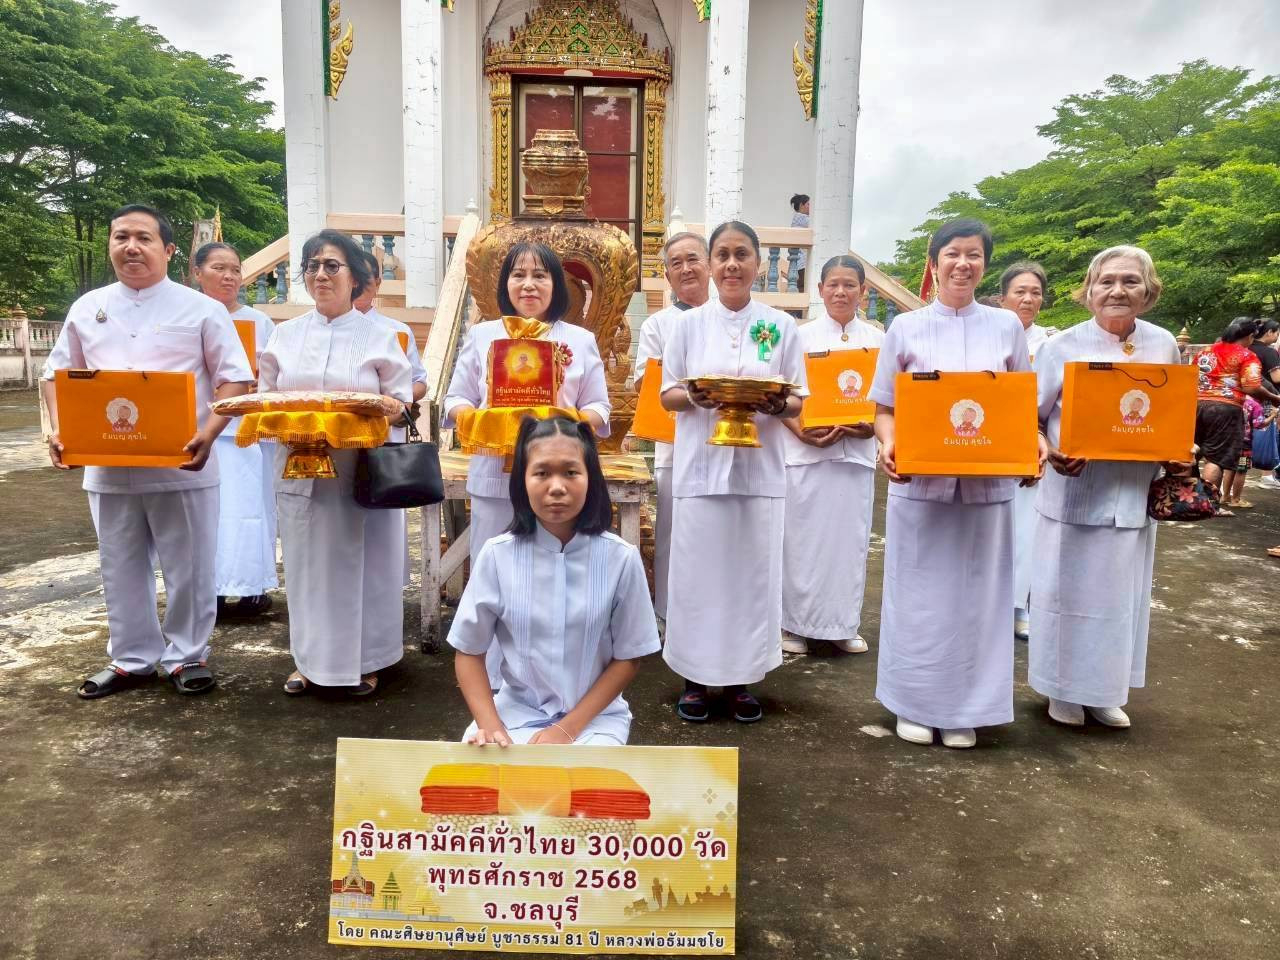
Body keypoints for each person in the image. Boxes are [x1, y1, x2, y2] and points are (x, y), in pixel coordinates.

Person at [43, 204, 254, 698]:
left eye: (143, 237)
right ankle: (132, 658)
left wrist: (209, 432)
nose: (130, 247)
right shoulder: (87, 307)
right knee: (119, 563)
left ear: (169, 249)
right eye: (121, 237)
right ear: (110, 245)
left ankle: (187, 656)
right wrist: (58, 430)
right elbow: (56, 376)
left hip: (183, 461)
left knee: (189, 566)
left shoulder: (201, 309)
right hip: (107, 464)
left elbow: (235, 381)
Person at [868, 218, 1045, 749]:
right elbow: (884, 408)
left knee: (980, 598)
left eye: (973, 255)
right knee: (918, 595)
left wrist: (1033, 437)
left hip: (987, 491)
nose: (962, 263)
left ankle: (967, 707)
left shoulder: (1005, 327)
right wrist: (887, 443)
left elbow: (1019, 408)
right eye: (952, 254)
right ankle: (914, 702)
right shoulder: (906, 328)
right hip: (922, 487)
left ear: (985, 264)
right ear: (934, 262)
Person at [1030, 245, 1188, 729]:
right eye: (1107, 282)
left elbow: (1173, 416)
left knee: (1121, 601)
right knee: (1067, 596)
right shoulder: (1063, 346)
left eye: (1130, 281)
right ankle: (1062, 691)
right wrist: (1049, 450)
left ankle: (1104, 691)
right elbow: (1028, 421)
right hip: (1076, 495)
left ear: (1149, 291)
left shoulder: (1164, 345)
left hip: (1133, 497)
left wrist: (1181, 454)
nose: (1118, 291)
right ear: (1089, 291)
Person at [443, 242, 611, 688]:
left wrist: (567, 423)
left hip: (559, 483)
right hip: (495, 475)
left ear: (557, 286)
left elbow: (600, 409)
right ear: (504, 285)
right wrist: (482, 419)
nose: (529, 284)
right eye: (518, 274)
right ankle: (495, 680)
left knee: (553, 575)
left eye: (540, 275)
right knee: (496, 576)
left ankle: (556, 677)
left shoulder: (578, 341)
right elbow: (455, 399)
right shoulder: (483, 337)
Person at [660, 220, 808, 723]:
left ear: (758, 264)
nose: (731, 264)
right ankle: (695, 680)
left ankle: (744, 680)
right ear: (710, 263)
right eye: (721, 254)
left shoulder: (781, 326)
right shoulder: (686, 325)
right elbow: (668, 395)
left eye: (741, 254)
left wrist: (773, 402)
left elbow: (795, 405)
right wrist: (695, 394)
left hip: (758, 470)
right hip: (701, 469)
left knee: (751, 577)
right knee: (697, 578)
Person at [258, 229, 412, 696]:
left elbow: (403, 402)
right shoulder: (283, 336)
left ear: (355, 277)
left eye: (332, 266)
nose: (320, 275)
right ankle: (309, 662)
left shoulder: (383, 336)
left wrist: (383, 408)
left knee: (365, 564)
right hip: (299, 468)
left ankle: (369, 660)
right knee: (307, 568)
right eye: (312, 266)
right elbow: (265, 398)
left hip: (359, 471)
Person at [449, 416, 660, 746]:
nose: (557, 486)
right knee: (484, 789)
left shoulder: (620, 558)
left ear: (590, 478)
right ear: (523, 480)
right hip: (511, 716)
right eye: (542, 472)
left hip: (594, 721)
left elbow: (628, 656)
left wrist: (565, 730)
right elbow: (468, 651)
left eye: (571, 472)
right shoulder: (497, 555)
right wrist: (490, 726)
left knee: (584, 789)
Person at [780, 255, 883, 656]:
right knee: (802, 541)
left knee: (849, 541)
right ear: (820, 290)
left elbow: (890, 401)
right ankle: (794, 626)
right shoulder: (799, 336)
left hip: (855, 454)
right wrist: (801, 431)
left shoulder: (878, 340)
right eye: (833, 284)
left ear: (863, 291)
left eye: (850, 285)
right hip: (806, 455)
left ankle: (841, 625)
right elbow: (780, 396)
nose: (841, 292)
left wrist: (871, 426)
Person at [191, 242, 278, 618]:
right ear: (197, 273)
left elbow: (277, 373)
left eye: (235, 270)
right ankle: (206, 589)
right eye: (218, 268)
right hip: (198, 428)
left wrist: (261, 385)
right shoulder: (184, 315)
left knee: (249, 511)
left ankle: (250, 588)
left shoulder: (260, 322)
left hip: (246, 429)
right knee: (205, 514)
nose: (228, 276)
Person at [633, 231, 711, 620]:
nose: (686, 268)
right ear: (666, 276)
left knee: (717, 536)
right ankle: (666, 614)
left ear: (710, 265)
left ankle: (711, 615)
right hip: (675, 443)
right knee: (672, 533)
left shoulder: (732, 319)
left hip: (728, 444)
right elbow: (643, 382)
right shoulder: (657, 325)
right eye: (676, 263)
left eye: (693, 259)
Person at [999, 261, 1053, 641]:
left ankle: (1020, 606)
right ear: (1003, 297)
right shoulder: (989, 334)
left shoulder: (1051, 344)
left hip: (1031, 444)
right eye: (1020, 291)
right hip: (987, 442)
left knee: (1025, 530)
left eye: (1035, 292)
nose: (1028, 299)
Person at [1193, 318, 1280, 511]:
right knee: (1215, 459)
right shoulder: (1246, 356)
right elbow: (1252, 386)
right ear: (1249, 337)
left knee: (1193, 450)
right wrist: (1274, 398)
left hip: (1195, 404)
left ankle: (1186, 498)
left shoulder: (1205, 352)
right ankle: (1207, 504)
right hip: (1225, 408)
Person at [1223, 396, 1273, 509]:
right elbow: (1259, 424)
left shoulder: (1233, 399)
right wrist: (1273, 416)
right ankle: (1235, 500)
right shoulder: (1254, 405)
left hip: (1228, 440)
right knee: (1241, 470)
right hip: (1244, 443)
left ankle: (1225, 496)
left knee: (1230, 469)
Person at [789, 194, 810, 291]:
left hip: (798, 262)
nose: (809, 208)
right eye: (808, 204)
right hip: (802, 262)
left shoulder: (796, 219)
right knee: (803, 287)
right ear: (802, 205)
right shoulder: (803, 218)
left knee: (800, 287)